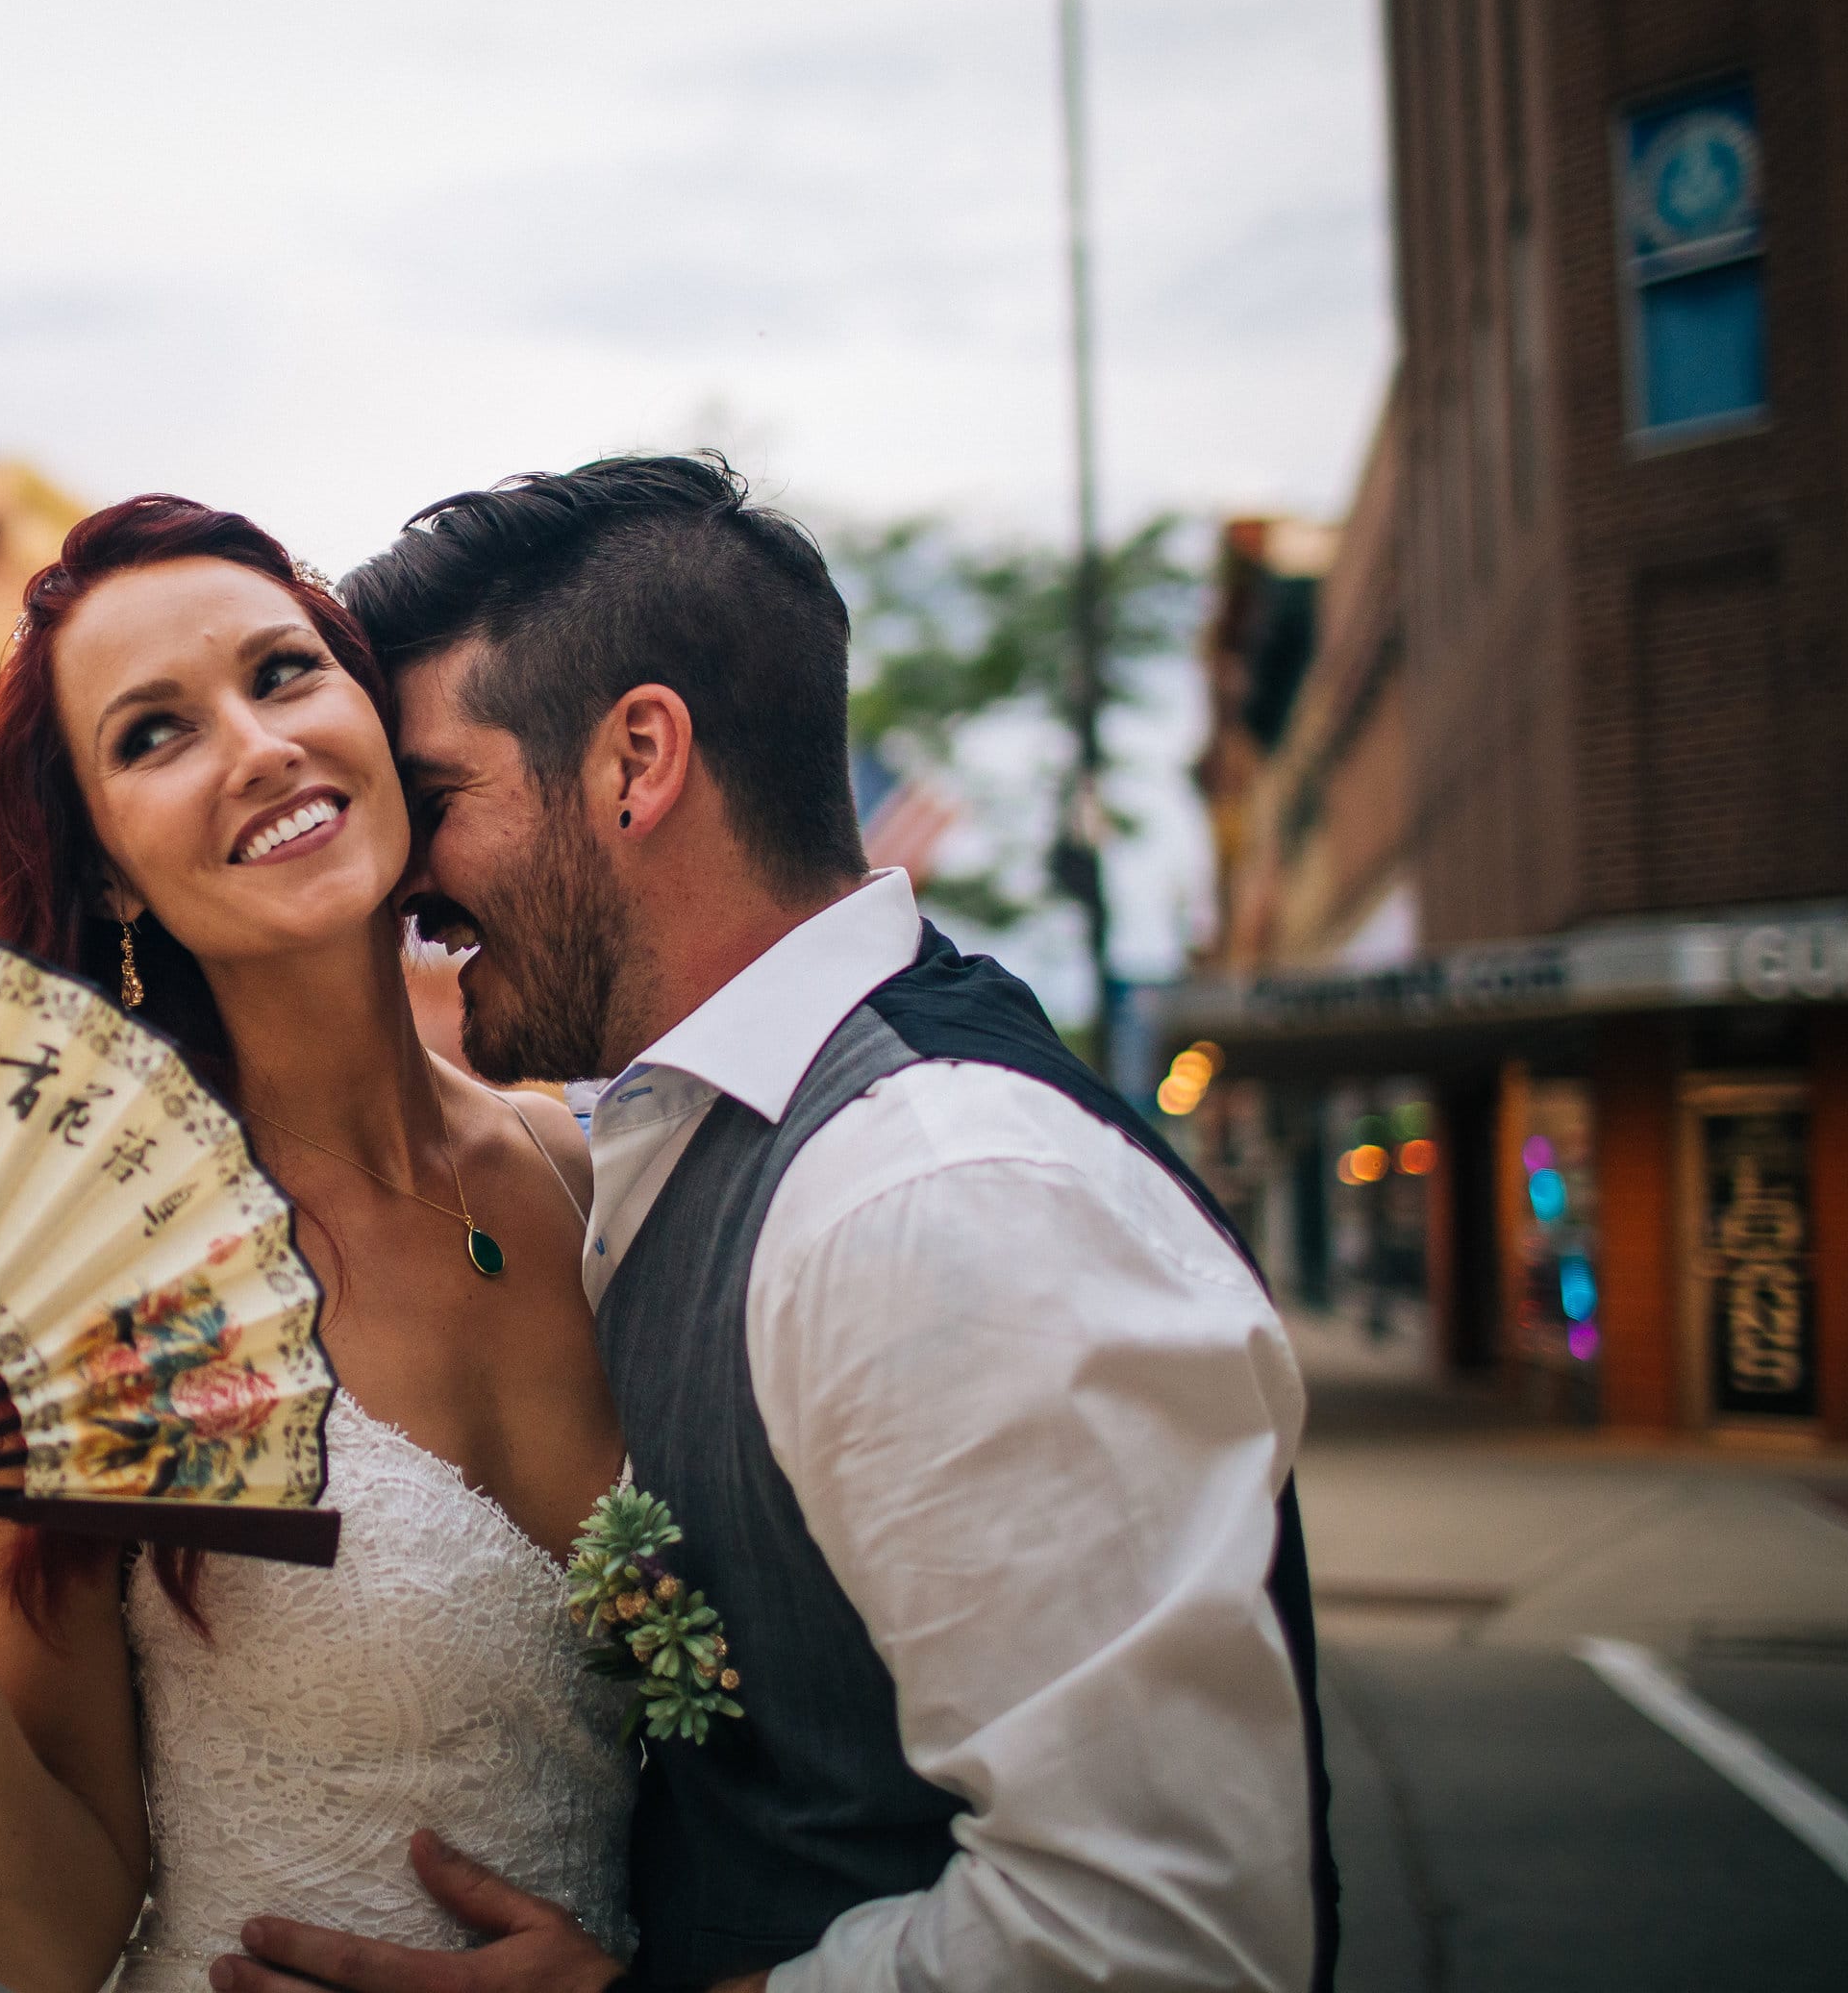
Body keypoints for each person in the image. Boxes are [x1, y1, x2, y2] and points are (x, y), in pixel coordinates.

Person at [217, 453, 1336, 1993]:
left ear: (637, 762)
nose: (403, 877)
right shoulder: (685, 1139)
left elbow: (1165, 1938)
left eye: (438, 799)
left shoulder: (942, 1198)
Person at [0, 494, 637, 1992]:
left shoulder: (590, 1178)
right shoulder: (83, 1286)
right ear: (117, 870)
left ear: (374, 723)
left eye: (282, 675)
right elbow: (58, 1938)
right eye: (153, 734)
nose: (259, 749)